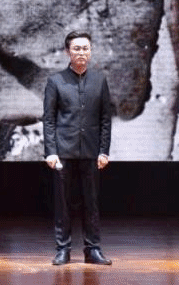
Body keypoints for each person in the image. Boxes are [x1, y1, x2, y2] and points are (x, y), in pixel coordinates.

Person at [43, 30, 113, 266]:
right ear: (68, 52)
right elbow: (49, 119)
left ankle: (93, 250)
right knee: (63, 204)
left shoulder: (99, 80)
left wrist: (104, 150)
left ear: (90, 51)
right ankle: (63, 249)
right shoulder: (56, 81)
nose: (81, 52)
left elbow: (105, 118)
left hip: (91, 151)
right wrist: (51, 151)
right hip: (63, 151)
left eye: (85, 48)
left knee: (91, 203)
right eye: (76, 48)